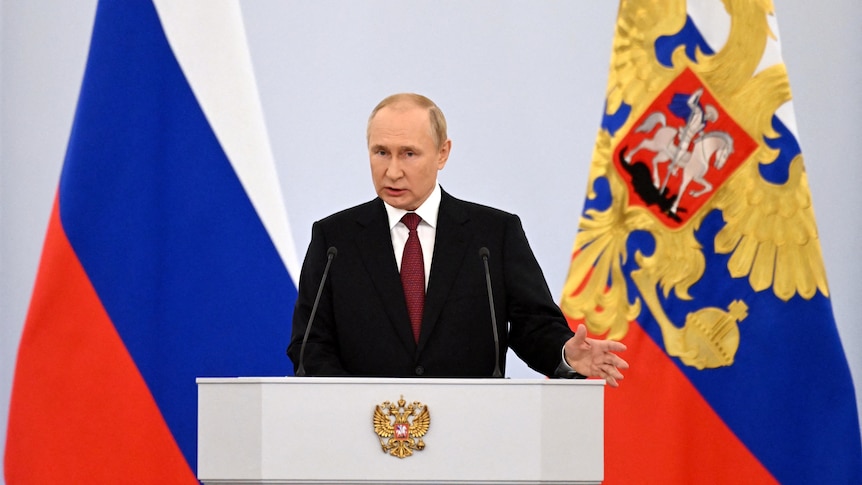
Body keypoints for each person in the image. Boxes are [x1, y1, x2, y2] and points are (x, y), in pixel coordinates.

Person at [287, 93, 628, 385]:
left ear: (442, 153)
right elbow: (309, 345)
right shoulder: (334, 240)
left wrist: (565, 353)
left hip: (470, 437)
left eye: (408, 153)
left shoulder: (493, 236)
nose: (392, 171)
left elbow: (533, 326)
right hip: (364, 439)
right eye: (381, 153)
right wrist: (363, 407)